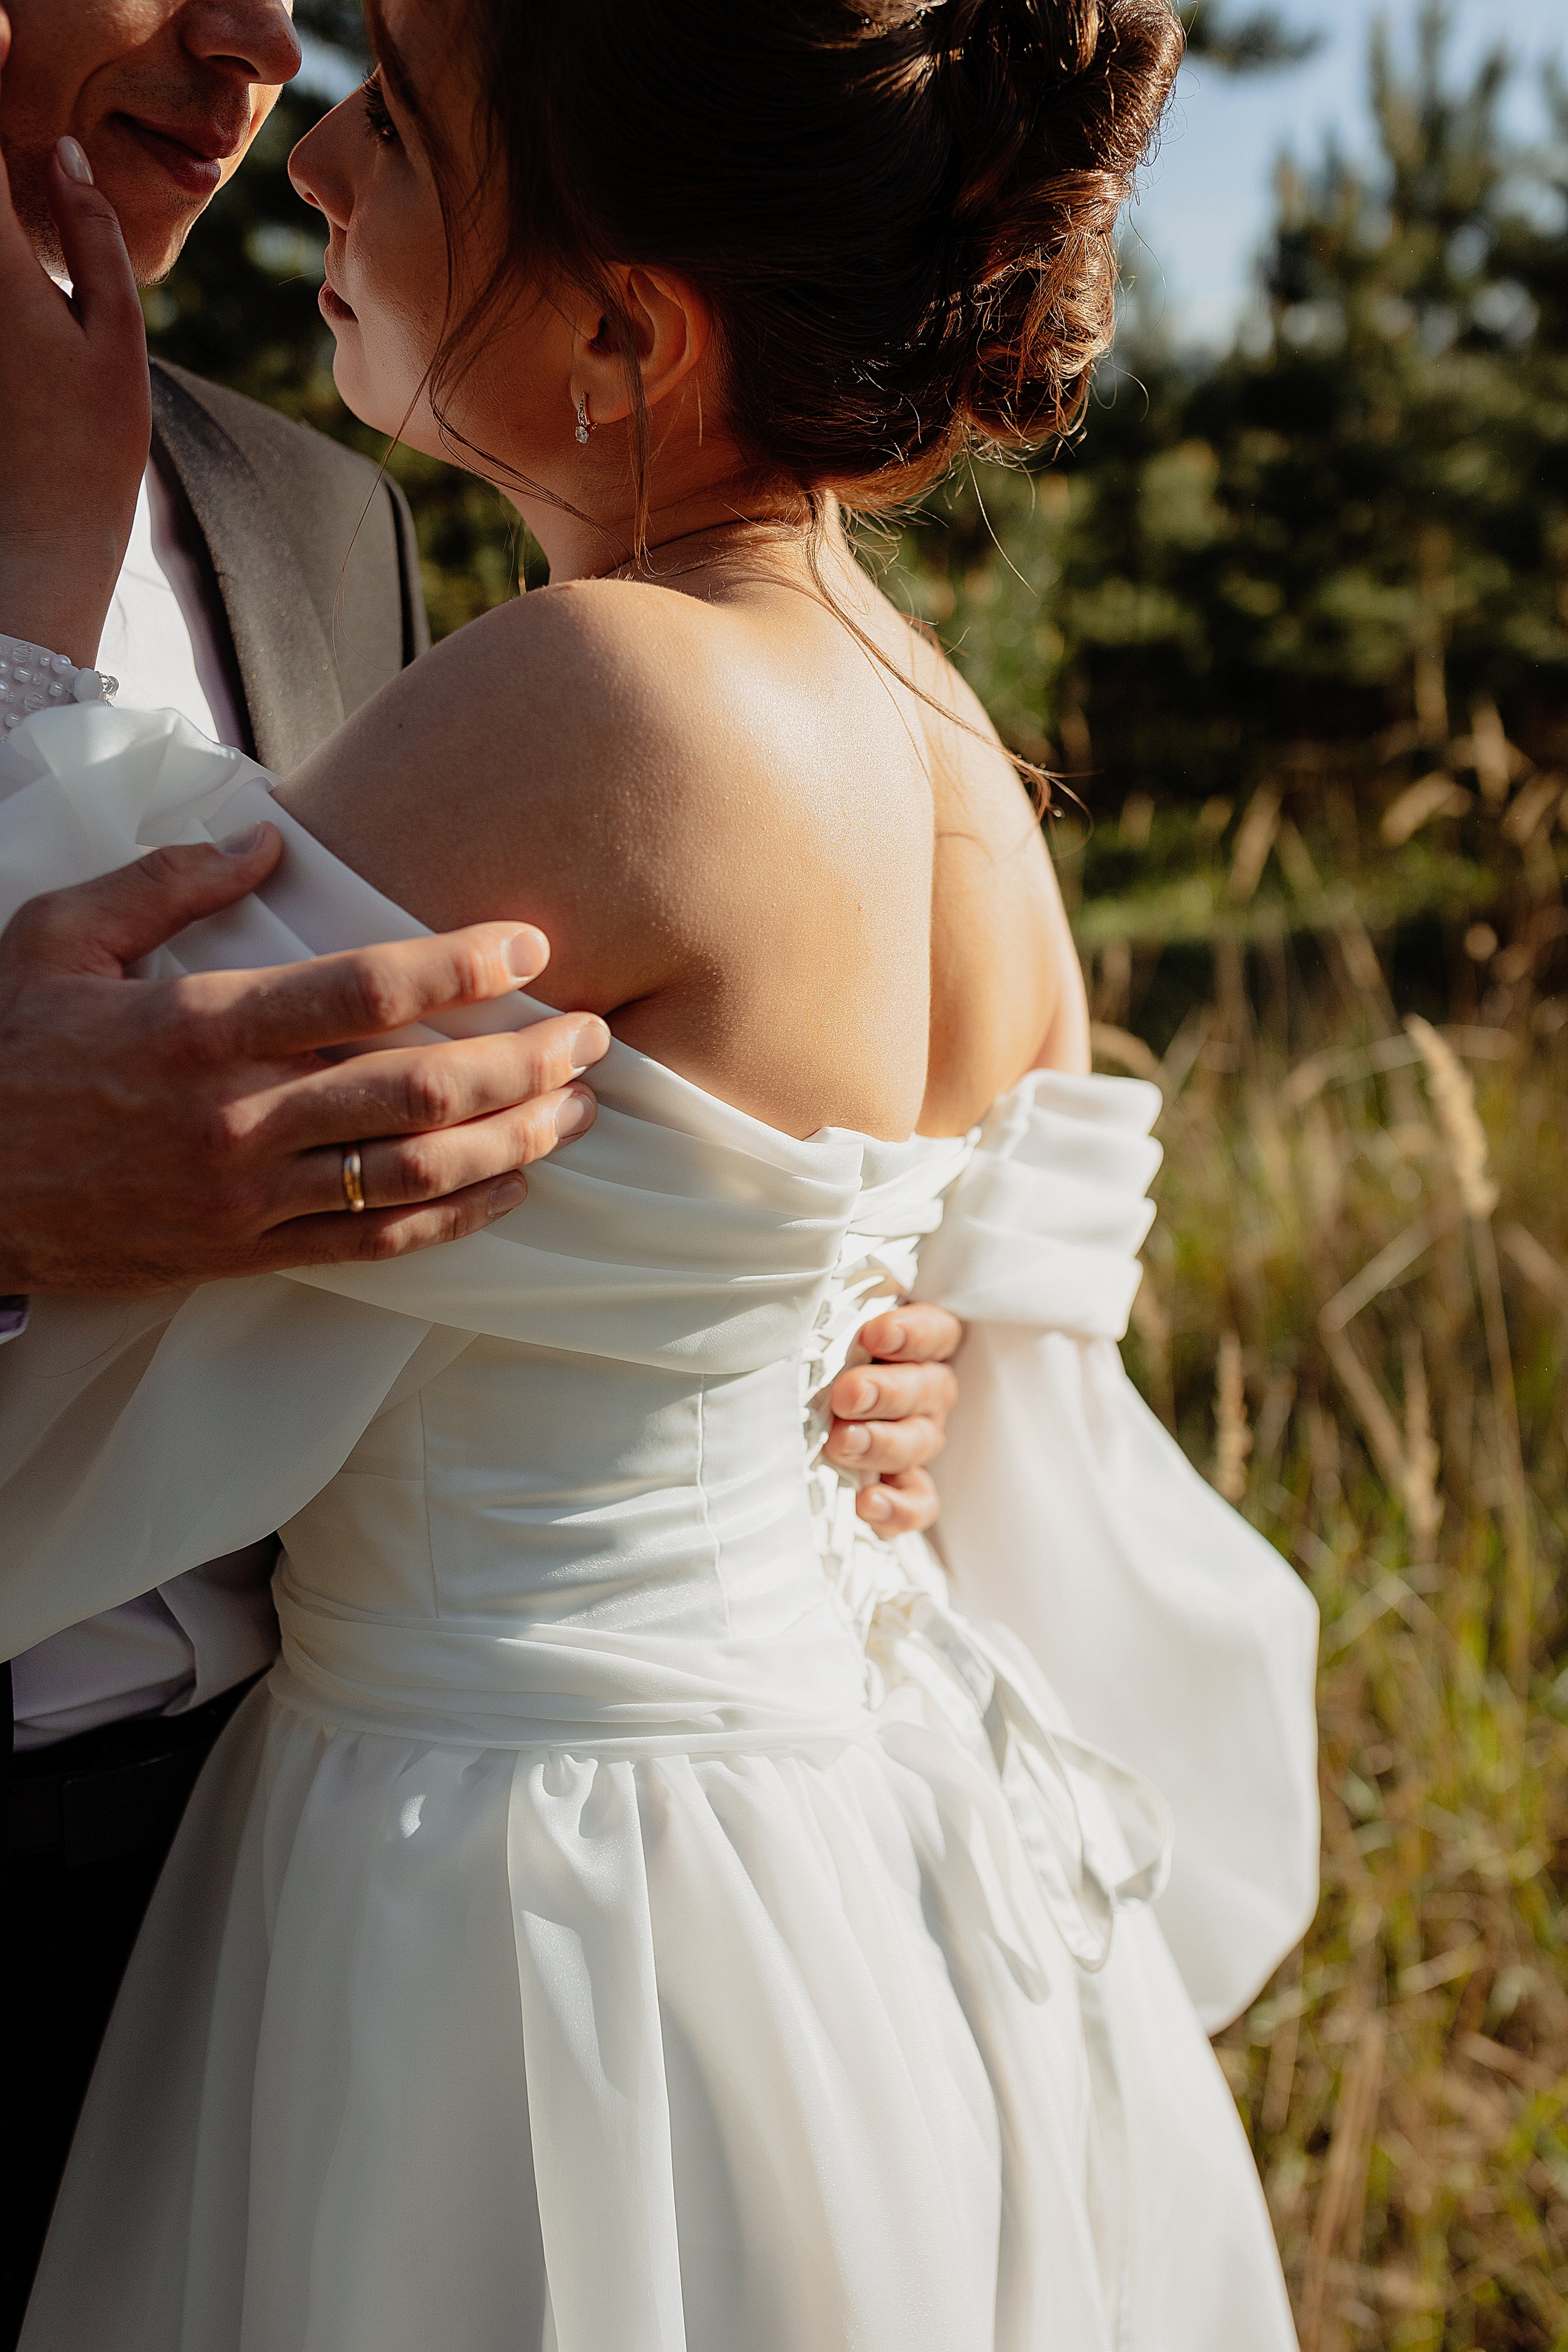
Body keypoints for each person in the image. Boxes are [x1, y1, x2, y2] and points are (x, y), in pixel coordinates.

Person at [0, 0, 1321, 2344]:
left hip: (506, 1885)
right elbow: (983, 1337)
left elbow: (146, 1100)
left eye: (400, 120)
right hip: (870, 1873)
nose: (311, 157)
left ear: (623, 323)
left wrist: (25, 616)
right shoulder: (957, 756)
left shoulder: (594, 699)